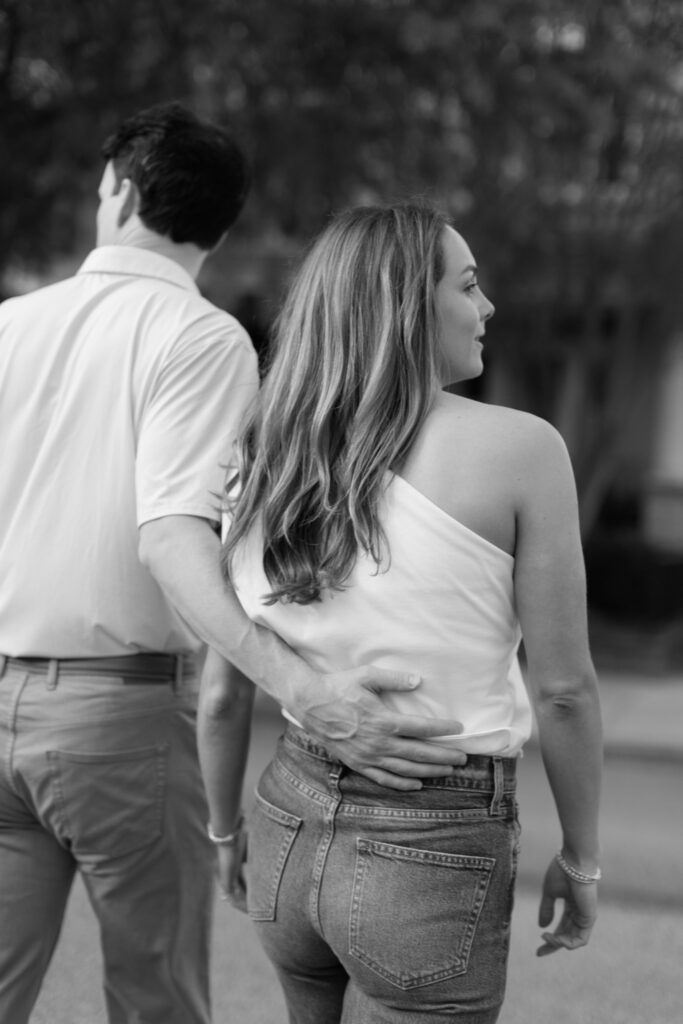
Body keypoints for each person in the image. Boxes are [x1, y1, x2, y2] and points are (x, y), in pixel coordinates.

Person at [0, 108, 466, 1024]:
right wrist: (308, 692)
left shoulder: (11, 325)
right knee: (156, 1000)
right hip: (116, 718)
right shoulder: (201, 338)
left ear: (121, 191)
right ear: (219, 224)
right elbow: (173, 541)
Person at [200, 202, 603, 1023]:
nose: (485, 307)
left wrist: (221, 830)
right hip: (434, 843)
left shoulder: (262, 449)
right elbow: (563, 690)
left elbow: (222, 686)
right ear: (408, 307)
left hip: (285, 817)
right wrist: (583, 859)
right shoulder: (523, 450)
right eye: (468, 285)